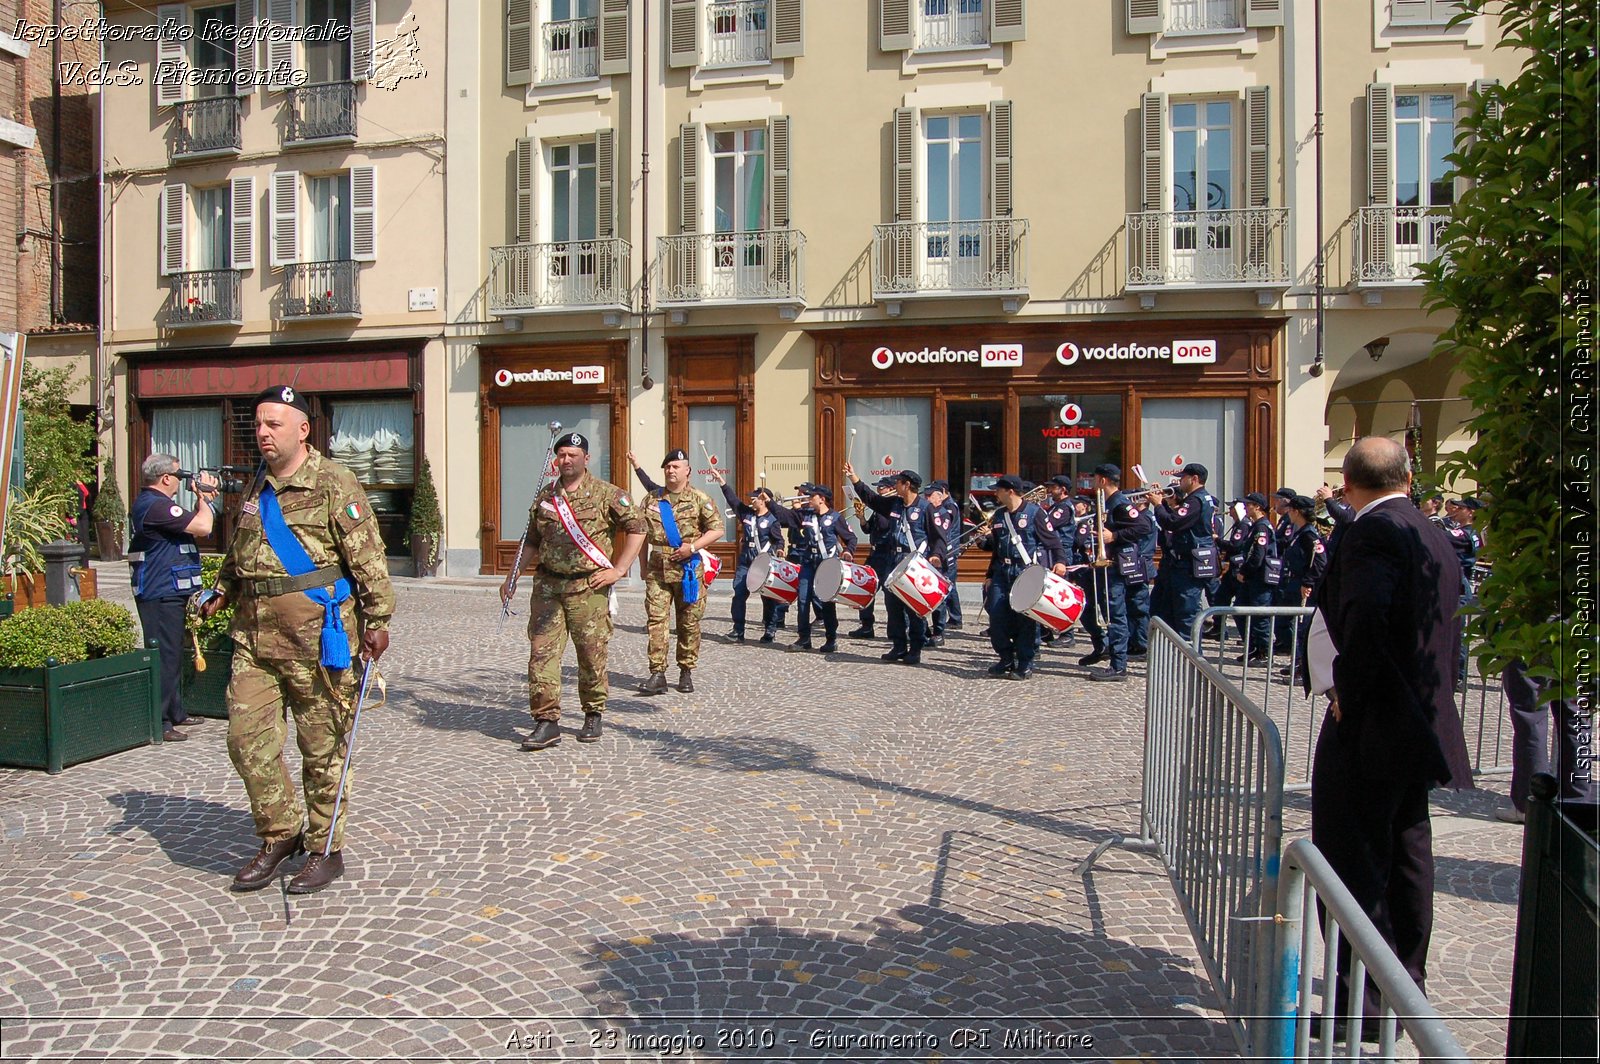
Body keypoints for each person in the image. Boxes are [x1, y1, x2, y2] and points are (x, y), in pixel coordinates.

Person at [201, 385, 395, 895]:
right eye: (258, 425)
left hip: (318, 641)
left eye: (274, 425)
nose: (263, 434)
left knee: (323, 749)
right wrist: (221, 588)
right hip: (255, 639)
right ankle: (279, 833)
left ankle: (324, 848)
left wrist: (377, 620)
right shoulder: (256, 486)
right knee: (247, 742)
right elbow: (241, 548)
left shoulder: (335, 482)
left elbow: (369, 558)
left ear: (303, 429)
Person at [1307, 436, 1472, 1025]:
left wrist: (1349, 691)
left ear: (1348, 484)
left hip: (1375, 722)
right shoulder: (1431, 529)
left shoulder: (1373, 532)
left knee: (1353, 859)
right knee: (1407, 852)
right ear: (1407, 476)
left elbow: (1369, 618)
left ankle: (1367, 1005)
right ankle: (1406, 987)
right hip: (1418, 719)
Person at [503, 432, 645, 752]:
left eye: (572, 454)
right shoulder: (546, 496)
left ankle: (593, 712)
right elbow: (532, 540)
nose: (566, 460)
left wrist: (619, 570)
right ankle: (546, 721)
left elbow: (638, 528)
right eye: (562, 455)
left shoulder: (607, 494)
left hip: (589, 587)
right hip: (548, 587)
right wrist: (512, 576)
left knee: (591, 655)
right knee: (541, 654)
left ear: (585, 458)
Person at [129, 454, 222, 741]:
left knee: (173, 654)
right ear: (166, 478)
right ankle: (161, 722)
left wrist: (201, 499)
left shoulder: (160, 505)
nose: (183, 480)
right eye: (179, 475)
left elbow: (195, 523)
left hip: (170, 591)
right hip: (159, 593)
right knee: (164, 656)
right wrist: (204, 497)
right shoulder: (154, 506)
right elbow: (203, 527)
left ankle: (176, 711)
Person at [631, 450, 723, 695]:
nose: (670, 471)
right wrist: (641, 565)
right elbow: (640, 535)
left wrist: (691, 547)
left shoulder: (699, 499)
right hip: (658, 570)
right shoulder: (651, 499)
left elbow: (717, 530)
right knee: (656, 621)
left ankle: (686, 670)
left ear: (687, 471)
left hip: (688, 570)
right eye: (667, 467)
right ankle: (657, 673)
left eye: (675, 467)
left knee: (689, 622)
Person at [844, 464, 947, 666]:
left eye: (898, 482)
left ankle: (915, 648)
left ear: (906, 485)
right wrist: (854, 478)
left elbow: (938, 537)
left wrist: (936, 556)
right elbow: (871, 499)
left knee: (913, 607)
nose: (895, 485)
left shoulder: (926, 509)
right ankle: (898, 645)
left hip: (913, 562)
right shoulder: (895, 504)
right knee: (893, 607)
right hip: (893, 561)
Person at [979, 475, 1067, 680]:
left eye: (998, 490)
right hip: (1002, 572)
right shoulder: (1000, 515)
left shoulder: (1035, 513)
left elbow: (1053, 541)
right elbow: (998, 549)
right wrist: (990, 574)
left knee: (1025, 620)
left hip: (1025, 572)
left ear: (1010, 491)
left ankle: (1025, 662)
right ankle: (1006, 657)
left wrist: (1060, 561)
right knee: (997, 615)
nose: (995, 493)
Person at [1495, 659, 1597, 823]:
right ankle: (1577, 802)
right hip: (1573, 642)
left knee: (1530, 716)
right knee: (1576, 718)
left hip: (1530, 640)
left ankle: (1529, 803)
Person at [700, 463, 787, 643]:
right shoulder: (747, 514)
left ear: (763, 500)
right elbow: (733, 500)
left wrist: (779, 550)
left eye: (754, 498)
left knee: (767, 597)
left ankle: (770, 629)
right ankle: (738, 629)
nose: (751, 501)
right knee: (739, 593)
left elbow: (779, 540)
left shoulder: (772, 520)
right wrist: (721, 482)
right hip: (746, 561)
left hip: (763, 562)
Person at [1081, 464, 1151, 682]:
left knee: (1115, 614)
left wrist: (1114, 536)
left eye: (1095, 479)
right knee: (1111, 611)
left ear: (1103, 480)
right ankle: (1115, 657)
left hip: (1117, 568)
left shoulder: (1119, 503)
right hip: (1108, 566)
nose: (1092, 483)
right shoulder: (1107, 503)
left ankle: (1119, 665)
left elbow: (1143, 527)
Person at [771, 484, 856, 652]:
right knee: (803, 600)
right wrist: (770, 503)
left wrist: (848, 551)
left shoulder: (835, 517)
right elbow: (786, 516)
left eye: (812, 496)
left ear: (822, 499)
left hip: (827, 565)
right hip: (809, 562)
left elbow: (851, 538)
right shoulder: (806, 516)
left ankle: (831, 639)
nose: (809, 499)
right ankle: (804, 638)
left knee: (826, 602)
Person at [1146, 463, 1218, 640]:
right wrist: (1161, 501)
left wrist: (1157, 505)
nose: (1179, 481)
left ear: (1194, 479)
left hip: (1187, 565)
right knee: (1170, 614)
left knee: (1186, 616)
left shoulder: (1196, 500)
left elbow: (1172, 522)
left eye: (1183, 478)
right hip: (1181, 564)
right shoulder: (1197, 499)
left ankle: (1191, 663)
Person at [1228, 493, 1279, 662]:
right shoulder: (1255, 526)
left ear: (1257, 507)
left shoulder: (1262, 527)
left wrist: (1245, 572)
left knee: (1259, 616)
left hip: (1259, 578)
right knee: (1240, 611)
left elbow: (1258, 555)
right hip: (1252, 579)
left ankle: (1264, 651)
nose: (1245, 507)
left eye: (1248, 504)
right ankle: (1252, 647)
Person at [848, 476, 898, 641]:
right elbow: (868, 530)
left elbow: (885, 526)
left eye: (882, 488)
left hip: (886, 554)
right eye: (878, 488)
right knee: (866, 589)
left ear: (890, 488)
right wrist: (861, 517)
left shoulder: (892, 507)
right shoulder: (879, 509)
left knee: (890, 594)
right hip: (874, 554)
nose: (879, 491)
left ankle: (894, 630)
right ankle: (866, 626)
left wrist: (875, 505)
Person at [926, 480, 963, 642]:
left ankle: (953, 618)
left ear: (940, 494)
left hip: (946, 553)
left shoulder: (948, 508)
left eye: (930, 495)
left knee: (946, 587)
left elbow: (945, 533)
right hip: (939, 553)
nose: (926, 498)